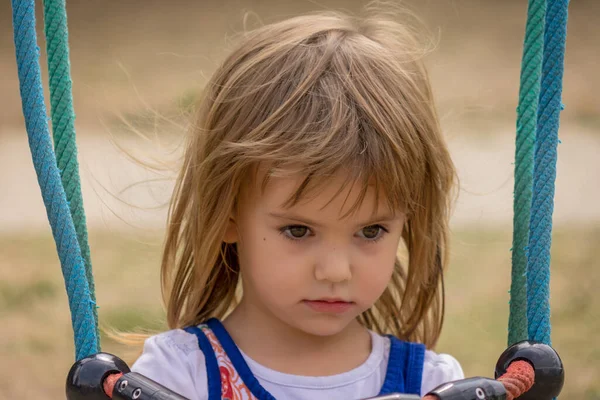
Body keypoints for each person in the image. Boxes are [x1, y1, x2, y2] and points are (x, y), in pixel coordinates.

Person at [131, 5, 463, 399]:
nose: (336, 271)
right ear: (227, 214)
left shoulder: (431, 384)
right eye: (299, 230)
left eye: (371, 231)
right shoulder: (177, 377)